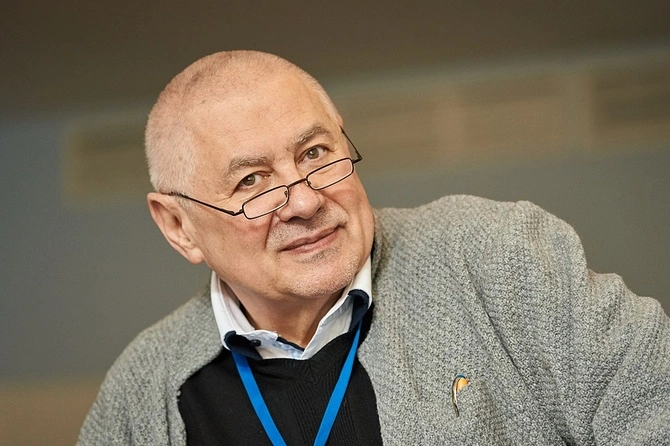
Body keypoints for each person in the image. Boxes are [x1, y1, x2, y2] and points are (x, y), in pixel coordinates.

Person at [78, 50, 670, 445]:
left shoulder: (496, 255)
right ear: (179, 226)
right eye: (252, 181)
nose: (304, 201)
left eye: (315, 154)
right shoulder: (141, 393)